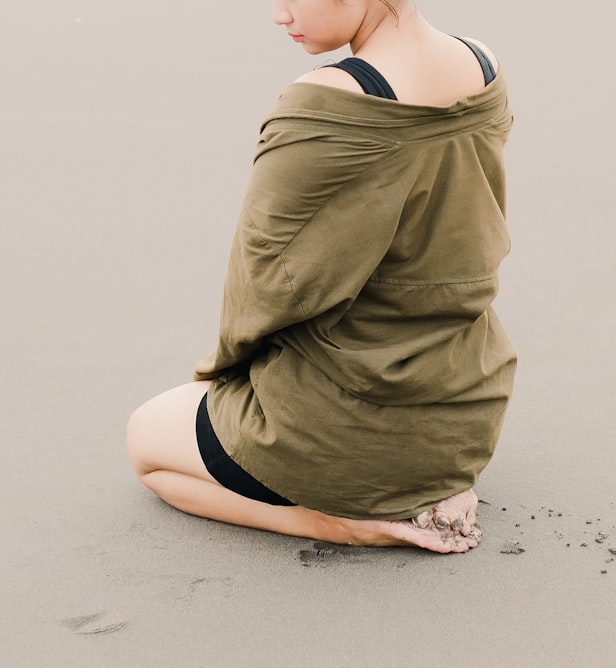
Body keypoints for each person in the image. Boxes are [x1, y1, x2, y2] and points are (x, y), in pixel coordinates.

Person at [126, 0, 515, 554]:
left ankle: (330, 523)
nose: (279, 15)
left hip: (340, 430)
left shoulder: (324, 101)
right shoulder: (483, 65)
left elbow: (264, 285)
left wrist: (220, 377)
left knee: (145, 440)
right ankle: (414, 488)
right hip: (465, 414)